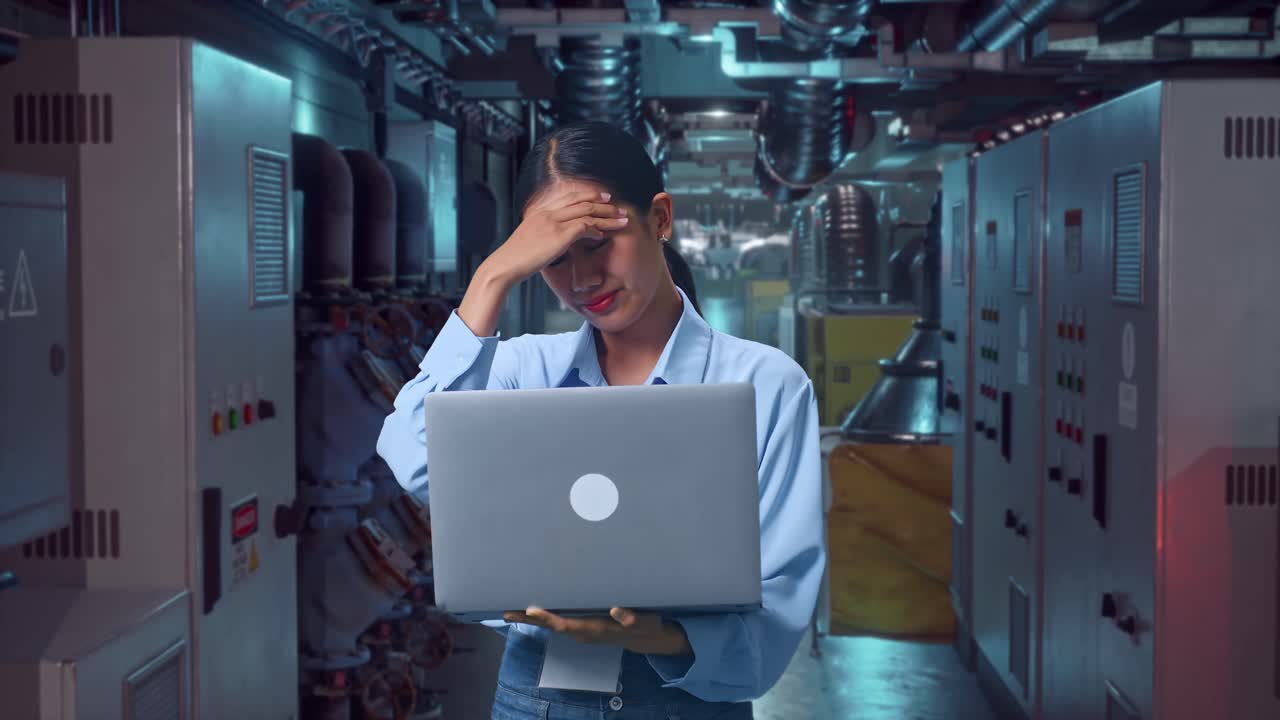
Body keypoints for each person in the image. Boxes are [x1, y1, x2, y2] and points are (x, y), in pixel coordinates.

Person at [376, 121, 824, 720]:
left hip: (688, 705)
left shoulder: (765, 385)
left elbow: (778, 611)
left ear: (659, 219)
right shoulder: (521, 371)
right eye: (552, 260)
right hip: (535, 702)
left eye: (596, 244)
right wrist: (491, 278)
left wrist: (656, 636)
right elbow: (412, 452)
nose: (581, 282)